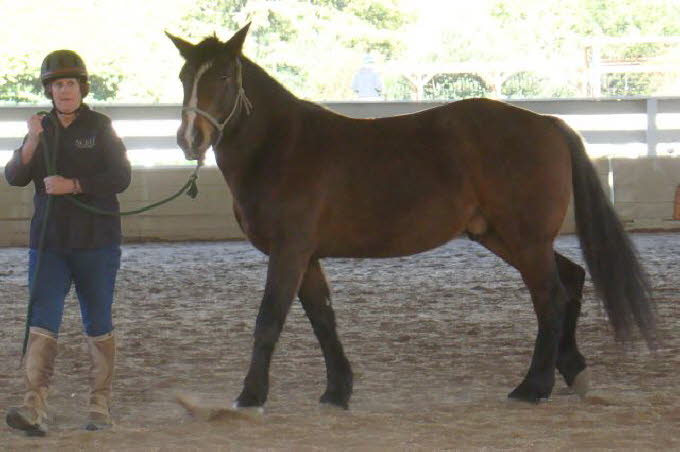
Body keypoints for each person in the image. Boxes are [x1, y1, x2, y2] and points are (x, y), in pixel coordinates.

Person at [3, 50, 131, 435]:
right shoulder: (40, 129)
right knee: (42, 320)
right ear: (49, 90)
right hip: (50, 243)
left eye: (70, 83)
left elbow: (121, 176)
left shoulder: (101, 126)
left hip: (97, 242)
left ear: (81, 87)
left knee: (98, 320)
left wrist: (73, 185)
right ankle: (34, 405)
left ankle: (99, 405)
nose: (64, 90)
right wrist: (32, 141)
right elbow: (14, 175)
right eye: (57, 84)